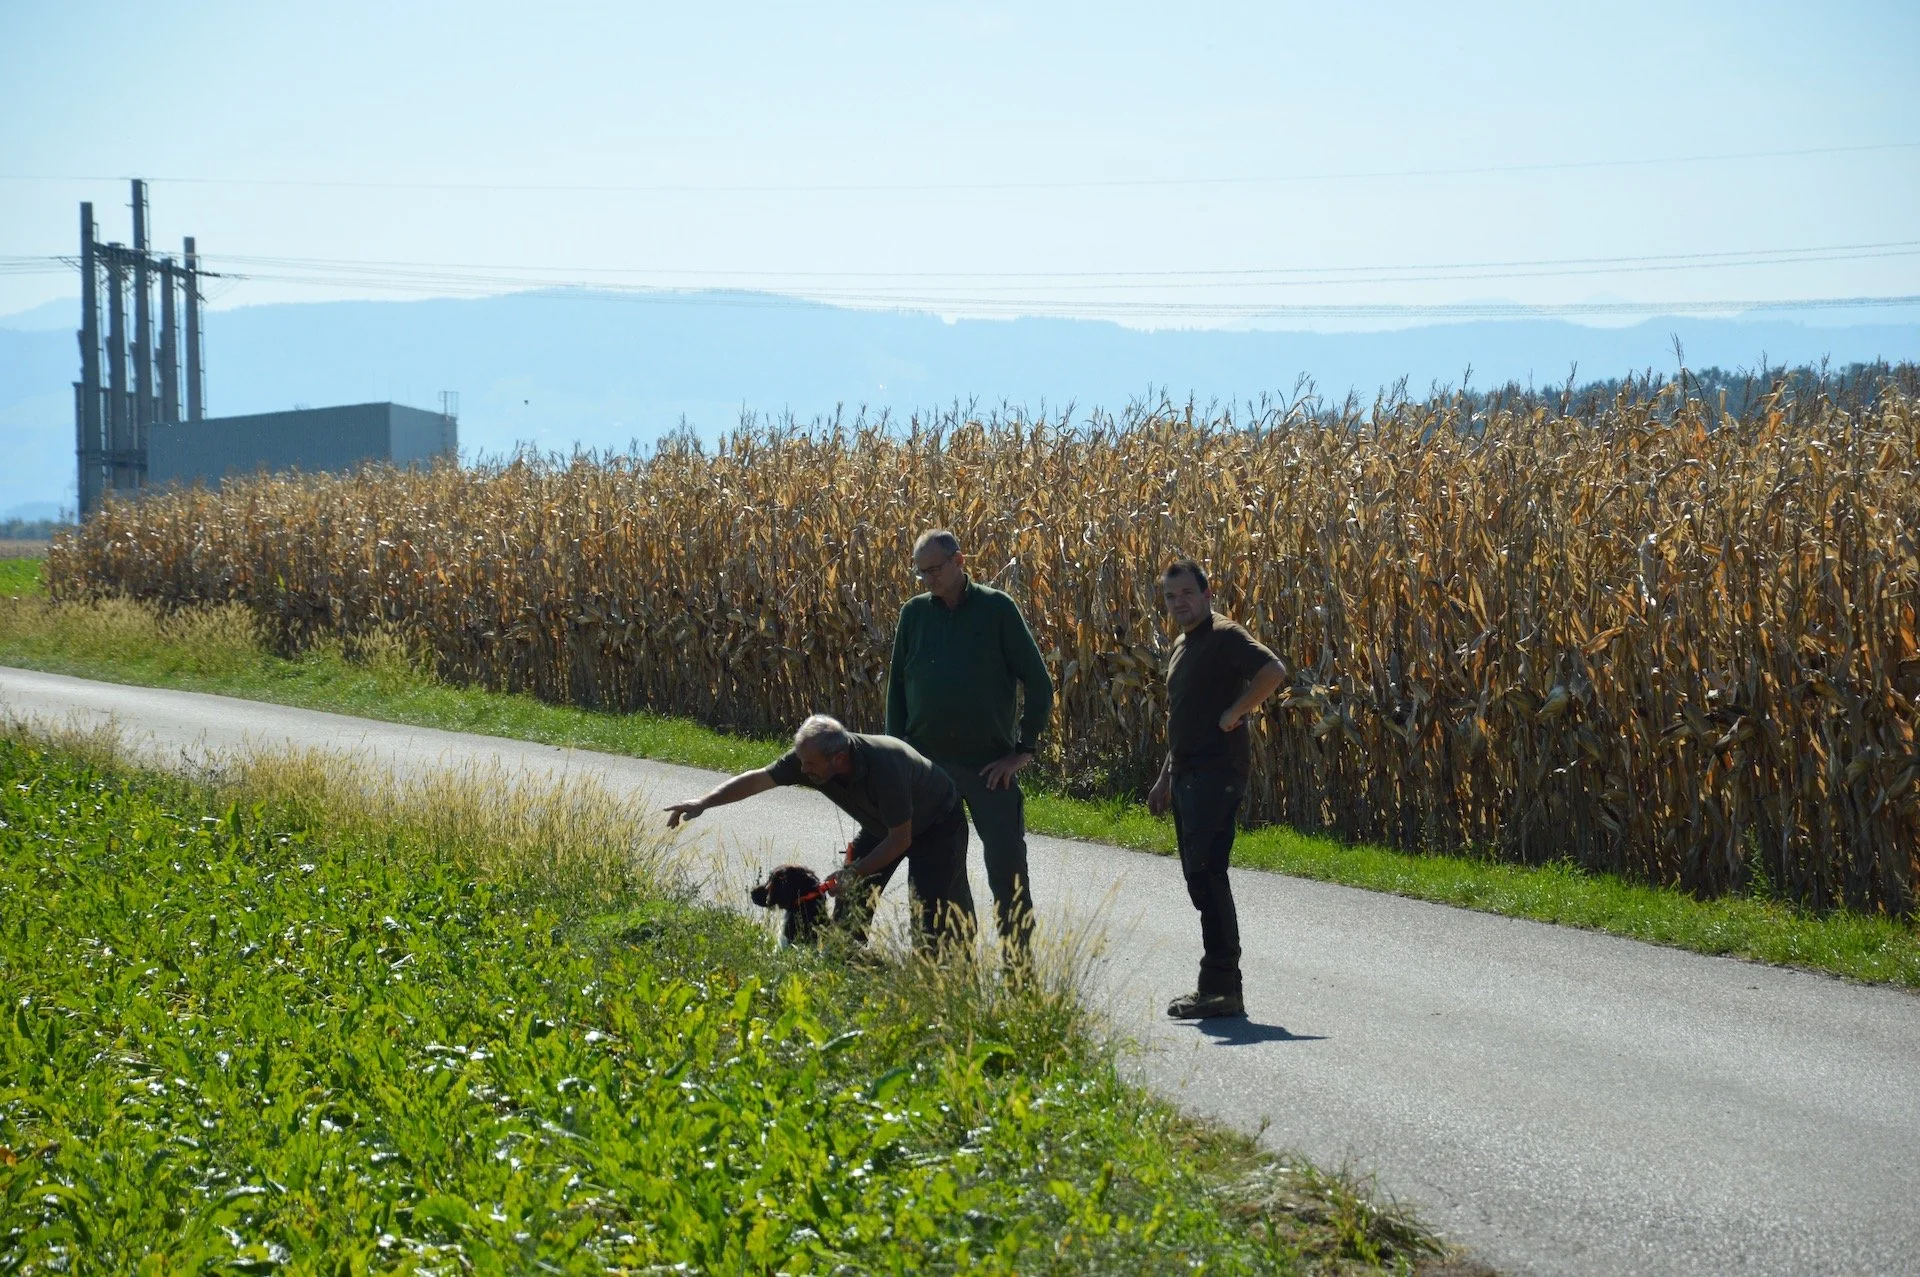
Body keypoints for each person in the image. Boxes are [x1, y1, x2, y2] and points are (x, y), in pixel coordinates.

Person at [663, 714, 976, 954]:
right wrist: (703, 802)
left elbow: (900, 839)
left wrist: (853, 871)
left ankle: (945, 979)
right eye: (801, 761)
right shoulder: (811, 758)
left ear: (838, 758)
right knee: (852, 896)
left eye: (810, 764)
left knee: (932, 909)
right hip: (882, 824)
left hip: (936, 823)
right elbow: (757, 780)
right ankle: (844, 961)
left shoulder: (886, 767)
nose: (803, 769)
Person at [886, 529, 1053, 969]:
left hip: (989, 767)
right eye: (921, 573)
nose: (927, 580)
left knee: (1006, 866)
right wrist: (897, 759)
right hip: (928, 769)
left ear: (959, 561)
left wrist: (1023, 750)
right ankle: (944, 961)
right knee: (935, 869)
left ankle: (1018, 963)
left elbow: (1039, 683)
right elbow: (897, 692)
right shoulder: (913, 615)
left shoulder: (997, 609)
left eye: (934, 570)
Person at [1147, 556, 1287, 1019]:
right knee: (1199, 878)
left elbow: (1273, 670)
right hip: (1187, 774)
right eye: (1171, 596)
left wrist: (1236, 711)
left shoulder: (1225, 635)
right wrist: (1164, 779)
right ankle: (1220, 988)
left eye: (1188, 593)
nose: (1179, 603)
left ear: (1207, 594)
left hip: (1217, 772)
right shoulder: (1183, 645)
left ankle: (1221, 988)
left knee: (1208, 875)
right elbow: (1182, 717)